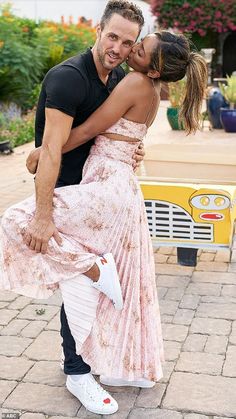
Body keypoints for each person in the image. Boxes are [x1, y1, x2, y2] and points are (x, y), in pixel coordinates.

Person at [0, 26, 208, 419]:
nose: (130, 51)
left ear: (154, 68)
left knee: (17, 218)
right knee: (72, 258)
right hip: (117, 186)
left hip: (107, 186)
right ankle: (92, 345)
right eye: (131, 43)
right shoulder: (145, 86)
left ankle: (94, 270)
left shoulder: (131, 81)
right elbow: (125, 132)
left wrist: (39, 154)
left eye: (139, 48)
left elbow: (92, 129)